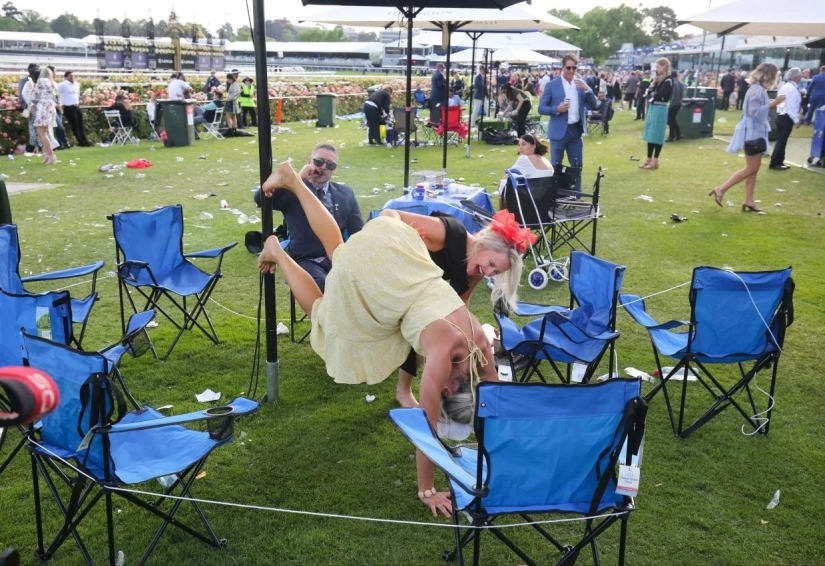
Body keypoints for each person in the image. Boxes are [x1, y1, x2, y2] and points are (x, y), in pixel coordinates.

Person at [257, 160, 501, 518]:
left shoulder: (481, 344)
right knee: (323, 315)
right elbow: (427, 431)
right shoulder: (439, 359)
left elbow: (494, 391)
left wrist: (499, 442)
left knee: (338, 248)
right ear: (450, 391)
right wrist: (426, 490)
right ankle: (278, 250)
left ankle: (293, 179)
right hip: (384, 283)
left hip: (400, 250)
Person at [381, 201, 532, 410]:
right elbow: (388, 213)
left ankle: (403, 391)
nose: (488, 273)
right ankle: (406, 393)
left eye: (495, 272)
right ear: (482, 245)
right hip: (390, 277)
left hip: (417, 296)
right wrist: (400, 234)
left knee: (432, 336)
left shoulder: (477, 270)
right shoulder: (450, 232)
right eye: (491, 264)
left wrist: (462, 332)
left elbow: (460, 302)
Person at [254, 144, 363, 292]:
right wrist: (298, 178)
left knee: (363, 285)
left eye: (330, 165)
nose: (323, 167)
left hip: (338, 257)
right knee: (329, 288)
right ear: (309, 161)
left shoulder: (345, 193)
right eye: (319, 162)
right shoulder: (293, 190)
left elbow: (358, 232)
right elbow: (261, 199)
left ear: (334, 169)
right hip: (307, 260)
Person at [709, 63, 784, 214]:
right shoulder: (757, 90)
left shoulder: (757, 89)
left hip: (754, 130)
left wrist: (771, 103)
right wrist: (773, 104)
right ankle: (721, 189)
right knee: (751, 168)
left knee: (753, 169)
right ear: (769, 76)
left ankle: (749, 200)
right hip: (752, 131)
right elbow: (753, 112)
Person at [538, 53, 597, 193]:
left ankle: (577, 194)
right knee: (555, 165)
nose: (571, 71)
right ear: (562, 67)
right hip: (558, 131)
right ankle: (554, 195)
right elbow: (541, 108)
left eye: (574, 68)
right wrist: (556, 109)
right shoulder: (552, 85)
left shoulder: (580, 84)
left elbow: (594, 104)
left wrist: (588, 90)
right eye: (568, 68)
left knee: (577, 165)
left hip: (575, 130)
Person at [639, 58, 673, 170]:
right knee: (651, 133)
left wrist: (652, 93)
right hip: (653, 107)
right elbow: (648, 92)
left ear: (664, 67)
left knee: (657, 134)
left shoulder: (668, 80)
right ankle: (648, 158)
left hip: (661, 108)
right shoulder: (658, 79)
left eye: (658, 67)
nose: (656, 70)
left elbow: (659, 94)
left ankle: (655, 160)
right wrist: (653, 83)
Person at [769, 68, 804, 171]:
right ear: (796, 77)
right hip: (786, 116)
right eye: (800, 76)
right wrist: (796, 119)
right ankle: (776, 162)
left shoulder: (786, 87)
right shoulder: (792, 89)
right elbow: (791, 106)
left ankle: (779, 160)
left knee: (782, 139)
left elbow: (784, 103)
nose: (801, 78)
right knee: (782, 140)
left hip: (782, 114)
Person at [29, 66, 59, 164]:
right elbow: (57, 97)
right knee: (45, 132)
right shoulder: (53, 83)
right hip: (51, 106)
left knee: (42, 133)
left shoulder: (41, 81)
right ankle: (48, 155)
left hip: (43, 106)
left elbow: (34, 95)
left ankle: (51, 156)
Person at [666, 70, 685, 142]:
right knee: (672, 119)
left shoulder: (671, 83)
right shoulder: (680, 83)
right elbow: (683, 94)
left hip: (671, 103)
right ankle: (678, 134)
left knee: (670, 120)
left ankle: (672, 136)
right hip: (678, 103)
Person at [470, 65, 488, 130]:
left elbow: (483, 86)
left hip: (483, 96)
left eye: (484, 70)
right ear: (480, 70)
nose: (484, 71)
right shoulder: (477, 77)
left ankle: (490, 121)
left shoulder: (482, 77)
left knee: (487, 108)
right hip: (478, 96)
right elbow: (479, 85)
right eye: (483, 70)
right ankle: (472, 124)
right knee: (476, 110)